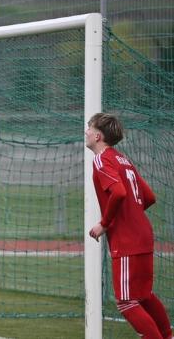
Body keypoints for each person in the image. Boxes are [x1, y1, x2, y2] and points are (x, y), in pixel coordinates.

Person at [86, 113, 172, 339]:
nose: (86, 132)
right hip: (144, 234)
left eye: (89, 128)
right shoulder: (123, 159)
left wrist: (105, 223)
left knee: (126, 302)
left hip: (127, 240)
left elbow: (119, 192)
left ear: (98, 136)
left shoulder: (102, 160)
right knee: (144, 295)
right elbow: (149, 196)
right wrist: (131, 213)